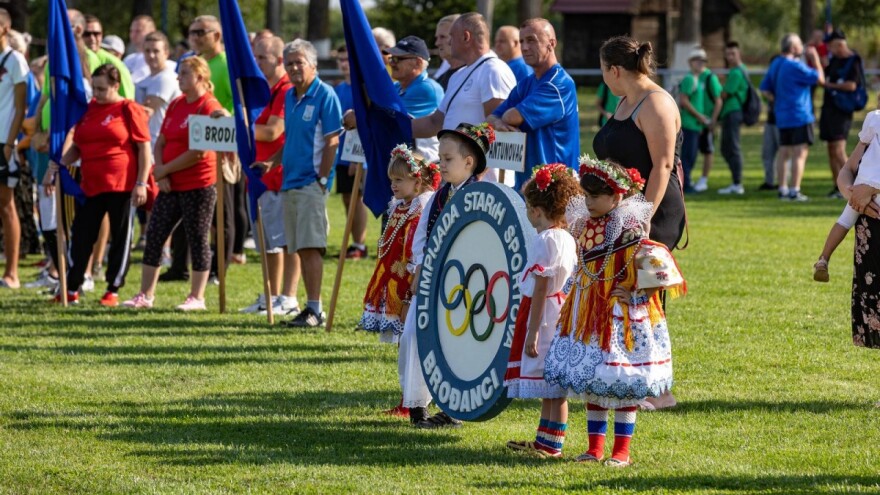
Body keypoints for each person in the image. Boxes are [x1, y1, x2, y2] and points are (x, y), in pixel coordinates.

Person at [544, 157, 686, 467]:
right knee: (595, 379)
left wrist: (638, 292)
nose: (589, 201)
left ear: (616, 197)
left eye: (595, 196)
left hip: (620, 316)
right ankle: (594, 448)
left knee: (621, 381)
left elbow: (657, 263)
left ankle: (621, 450)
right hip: (588, 311)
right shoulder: (585, 223)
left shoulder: (629, 227)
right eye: (587, 195)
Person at [592, 36, 684, 411]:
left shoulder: (657, 102)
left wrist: (643, 215)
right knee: (625, 297)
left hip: (654, 211)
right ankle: (633, 377)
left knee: (647, 297)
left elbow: (662, 166)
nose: (603, 78)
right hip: (623, 211)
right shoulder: (624, 100)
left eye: (603, 71)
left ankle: (660, 392)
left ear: (615, 70)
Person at [401, 122, 493, 428]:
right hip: (431, 280)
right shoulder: (439, 196)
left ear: (469, 162)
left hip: (464, 287)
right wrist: (420, 266)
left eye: (448, 159)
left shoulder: (482, 196)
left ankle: (452, 410)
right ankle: (416, 404)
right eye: (440, 158)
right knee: (415, 335)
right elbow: (422, 235)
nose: (441, 164)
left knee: (456, 345)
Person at [122, 56, 227, 311]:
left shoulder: (208, 105)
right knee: (156, 233)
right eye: (178, 74)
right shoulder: (178, 103)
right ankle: (145, 295)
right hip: (170, 184)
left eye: (183, 74)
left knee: (197, 237)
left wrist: (164, 170)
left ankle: (197, 297)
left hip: (198, 184)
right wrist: (162, 172)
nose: (178, 78)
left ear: (200, 78)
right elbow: (161, 141)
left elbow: (199, 151)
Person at [251, 39, 342, 328]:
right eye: (289, 62)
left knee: (311, 247)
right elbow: (290, 139)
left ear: (313, 64)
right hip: (289, 181)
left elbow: (332, 140)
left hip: (310, 185)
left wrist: (323, 180)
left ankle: (315, 309)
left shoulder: (325, 95)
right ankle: (308, 307)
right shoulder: (290, 96)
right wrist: (271, 163)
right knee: (299, 247)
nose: (293, 67)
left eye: (298, 62)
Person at [47, 64, 151, 306]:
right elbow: (78, 146)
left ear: (116, 86)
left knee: (121, 237)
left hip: (122, 185)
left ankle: (112, 289)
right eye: (94, 87)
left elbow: (144, 148)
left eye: (102, 89)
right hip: (91, 185)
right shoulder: (88, 109)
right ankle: (72, 287)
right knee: (81, 237)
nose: (97, 93)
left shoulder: (128, 109)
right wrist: (60, 163)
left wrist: (141, 182)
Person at [503, 163, 579, 458]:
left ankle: (552, 444)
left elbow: (541, 286)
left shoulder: (547, 240)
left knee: (553, 385)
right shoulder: (565, 237)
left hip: (546, 314)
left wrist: (532, 331)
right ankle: (544, 440)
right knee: (550, 384)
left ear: (536, 210)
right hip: (556, 309)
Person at [412, 12, 516, 184]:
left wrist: (479, 174)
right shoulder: (459, 75)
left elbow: (500, 129)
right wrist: (390, 126)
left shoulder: (494, 70)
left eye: (451, 36)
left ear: (466, 37)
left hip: (484, 184)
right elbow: (435, 122)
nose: (448, 42)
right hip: (458, 180)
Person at [239, 34, 300, 317]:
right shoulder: (269, 90)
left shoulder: (287, 89)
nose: (256, 63)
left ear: (278, 60)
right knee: (269, 243)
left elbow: (273, 130)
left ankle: (288, 297)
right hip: (264, 178)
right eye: (255, 57)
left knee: (287, 242)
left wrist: (238, 128)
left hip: (281, 176)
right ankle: (271, 295)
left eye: (261, 58)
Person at [489, 18, 579, 192]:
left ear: (551, 43)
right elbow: (492, 117)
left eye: (531, 40)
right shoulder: (527, 83)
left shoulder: (558, 83)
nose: (524, 47)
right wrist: (499, 123)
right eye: (522, 41)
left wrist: (504, 120)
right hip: (526, 187)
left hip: (554, 190)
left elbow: (511, 116)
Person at [360, 145, 438, 344]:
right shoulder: (398, 205)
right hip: (392, 266)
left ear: (417, 182)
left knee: (405, 306)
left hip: (407, 270)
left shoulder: (419, 210)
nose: (393, 185)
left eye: (399, 180)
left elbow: (416, 244)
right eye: (392, 180)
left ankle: (405, 339)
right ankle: (395, 339)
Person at [188, 15, 243, 273]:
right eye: (192, 32)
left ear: (217, 35)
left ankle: (219, 269)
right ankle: (187, 264)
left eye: (201, 32)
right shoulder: (194, 64)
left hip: (222, 145)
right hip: (197, 144)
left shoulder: (228, 63)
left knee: (224, 210)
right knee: (200, 208)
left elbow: (238, 103)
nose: (195, 37)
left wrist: (224, 118)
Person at [813, 108, 880, 282]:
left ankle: (824, 258)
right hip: (867, 187)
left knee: (844, 220)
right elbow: (848, 167)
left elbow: (864, 140)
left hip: (864, 181)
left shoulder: (874, 118)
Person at [760, 33, 824, 202]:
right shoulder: (794, 66)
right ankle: (795, 191)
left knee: (784, 152)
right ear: (793, 48)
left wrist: (779, 100)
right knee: (800, 153)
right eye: (799, 44)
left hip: (782, 115)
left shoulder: (776, 64)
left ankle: (783, 190)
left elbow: (765, 88)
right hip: (799, 114)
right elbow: (820, 79)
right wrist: (815, 58)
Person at [836, 119, 880, 353]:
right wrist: (852, 195)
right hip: (871, 237)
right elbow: (847, 170)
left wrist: (871, 188)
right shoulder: (873, 126)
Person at [0, 8, 28, 289]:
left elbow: (21, 106)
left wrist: (10, 144)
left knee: (6, 205)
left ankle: (12, 272)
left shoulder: (15, 60)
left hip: (3, 141)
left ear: (5, 29)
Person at [819, 30, 863, 199]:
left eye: (831, 46)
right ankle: (837, 187)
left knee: (839, 149)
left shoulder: (853, 61)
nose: (830, 49)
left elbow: (852, 85)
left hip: (842, 111)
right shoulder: (835, 60)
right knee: (831, 148)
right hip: (829, 109)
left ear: (839, 44)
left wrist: (829, 85)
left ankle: (850, 188)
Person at [676, 46, 713, 193]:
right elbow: (684, 100)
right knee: (687, 156)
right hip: (690, 124)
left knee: (691, 156)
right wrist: (699, 116)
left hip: (695, 124)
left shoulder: (697, 79)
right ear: (691, 62)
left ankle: (686, 182)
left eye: (703, 60)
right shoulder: (690, 78)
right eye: (697, 60)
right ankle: (685, 184)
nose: (700, 63)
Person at [716, 41, 749, 195]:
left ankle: (737, 183)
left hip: (733, 112)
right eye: (728, 54)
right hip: (730, 113)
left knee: (732, 147)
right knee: (726, 148)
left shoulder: (736, 72)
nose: (730, 57)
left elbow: (724, 94)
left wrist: (719, 85)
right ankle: (735, 181)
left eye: (733, 54)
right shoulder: (737, 71)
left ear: (739, 54)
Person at [759, 54, 782, 191]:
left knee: (783, 153)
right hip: (771, 120)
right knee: (767, 153)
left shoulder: (785, 79)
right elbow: (763, 89)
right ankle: (769, 181)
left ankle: (782, 182)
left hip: (782, 122)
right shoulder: (771, 79)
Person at [124, 15, 163, 84]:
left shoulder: (162, 62)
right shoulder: (128, 59)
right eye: (131, 31)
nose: (133, 34)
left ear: (152, 31)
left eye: (138, 31)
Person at [432, 14, 463, 91]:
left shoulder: (475, 74)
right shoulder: (440, 80)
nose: (437, 43)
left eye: (442, 37)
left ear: (462, 37)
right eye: (437, 38)